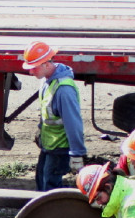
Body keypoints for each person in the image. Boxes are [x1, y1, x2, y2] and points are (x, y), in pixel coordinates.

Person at [20, 40, 87, 191]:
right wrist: (40, 131)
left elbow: (73, 124)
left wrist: (77, 154)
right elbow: (47, 112)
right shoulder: (48, 81)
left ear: (47, 64)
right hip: (49, 145)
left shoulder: (63, 90)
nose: (30, 72)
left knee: (49, 187)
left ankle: (52, 213)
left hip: (59, 147)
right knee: (41, 180)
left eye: (34, 68)